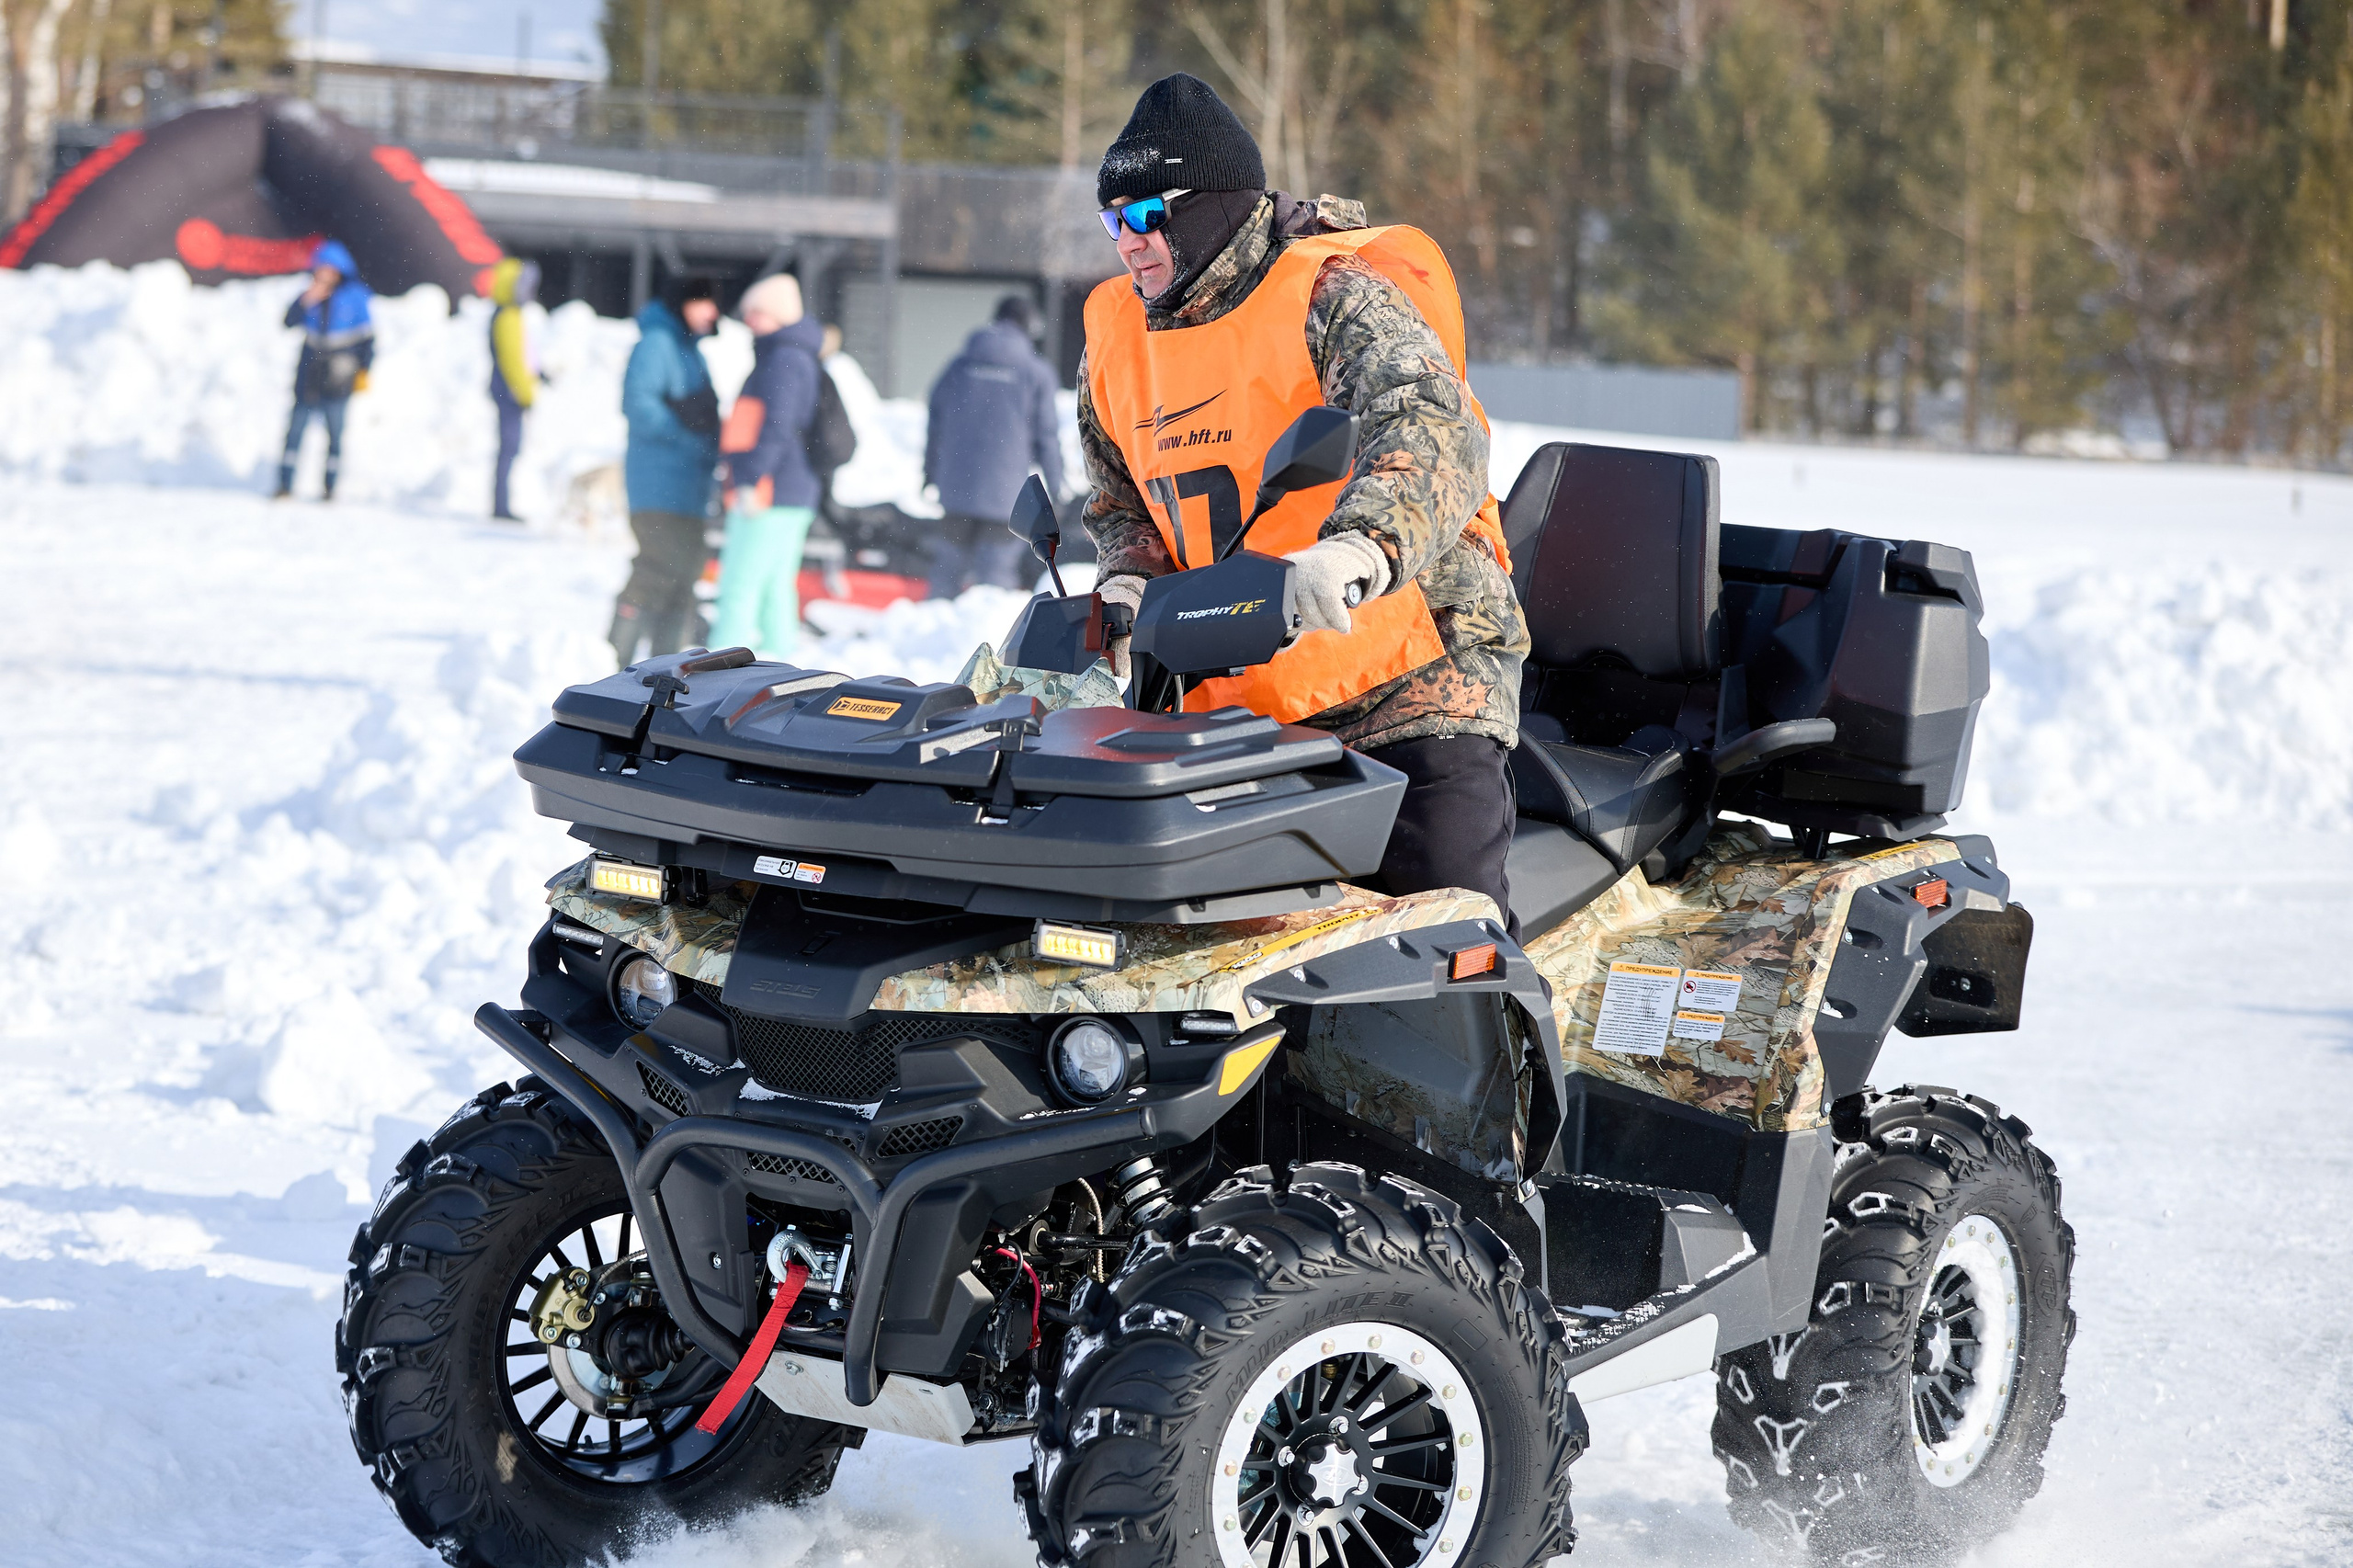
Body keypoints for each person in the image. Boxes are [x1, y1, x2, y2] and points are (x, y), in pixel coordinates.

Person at [1076, 74, 1529, 924]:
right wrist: (1129, 579)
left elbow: (1430, 423)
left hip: (1405, 676)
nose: (1129, 242)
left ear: (1212, 206)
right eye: (1112, 221)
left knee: (1443, 931)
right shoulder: (1116, 333)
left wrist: (1361, 547)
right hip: (1236, 694)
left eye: (1147, 214)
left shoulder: (1330, 292)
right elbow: (1122, 496)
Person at [710, 273, 825, 658]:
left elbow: (776, 426)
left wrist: (750, 477)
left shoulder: (783, 359)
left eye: (756, 312)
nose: (748, 320)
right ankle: (781, 660)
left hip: (769, 489)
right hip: (792, 488)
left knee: (739, 584)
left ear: (777, 313)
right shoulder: (794, 355)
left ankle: (718, 669)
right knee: (775, 585)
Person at [609, 276, 722, 666]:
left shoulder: (690, 350)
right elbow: (638, 404)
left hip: (689, 489)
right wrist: (687, 438)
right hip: (658, 485)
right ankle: (613, 661)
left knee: (684, 577)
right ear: (683, 303)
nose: (714, 312)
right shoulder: (656, 343)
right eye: (705, 302)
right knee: (656, 569)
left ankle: (667, 669)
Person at [923, 293, 1065, 597]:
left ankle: (933, 623)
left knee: (946, 574)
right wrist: (1056, 489)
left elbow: (935, 422)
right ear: (1030, 326)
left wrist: (929, 473)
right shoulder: (1035, 372)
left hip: (955, 491)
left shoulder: (958, 366)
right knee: (995, 580)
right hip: (1004, 497)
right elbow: (1047, 437)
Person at [273, 238, 373, 501]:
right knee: (295, 430)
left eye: (329, 269)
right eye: (320, 268)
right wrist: (306, 301)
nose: (324, 274)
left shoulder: (355, 297)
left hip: (340, 375)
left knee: (335, 433)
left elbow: (367, 340)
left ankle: (330, 487)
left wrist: (363, 371)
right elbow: (288, 322)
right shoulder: (310, 296)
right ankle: (285, 483)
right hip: (309, 372)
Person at [486, 256, 541, 522]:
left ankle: (502, 503)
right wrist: (526, 393)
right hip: (509, 393)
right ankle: (501, 506)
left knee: (508, 449)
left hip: (506, 390)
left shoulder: (507, 314)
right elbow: (512, 361)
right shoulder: (508, 316)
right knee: (509, 449)